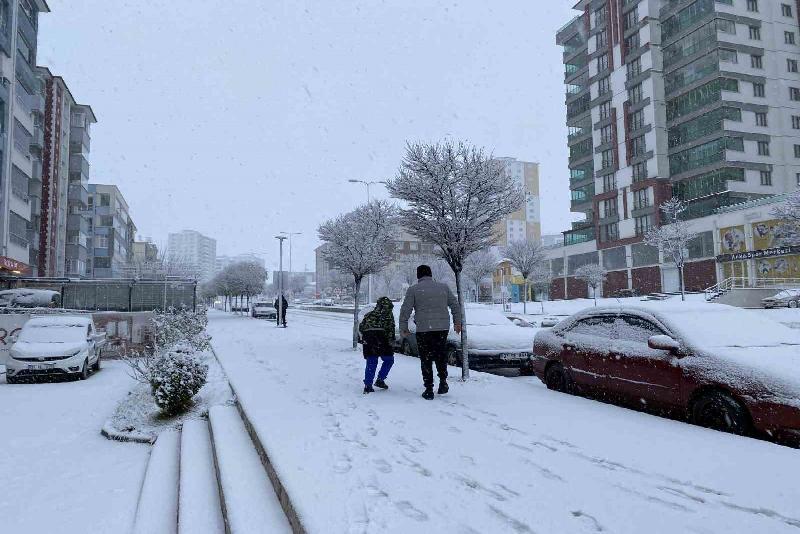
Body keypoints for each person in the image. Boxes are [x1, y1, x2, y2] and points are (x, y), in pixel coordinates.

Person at [399, 265, 462, 400]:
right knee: (440, 355)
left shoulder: (413, 290)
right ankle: (443, 382)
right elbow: (455, 305)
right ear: (431, 274)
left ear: (418, 276)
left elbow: (405, 310)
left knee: (426, 358)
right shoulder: (443, 287)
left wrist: (403, 327)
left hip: (424, 329)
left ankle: (429, 389)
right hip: (442, 328)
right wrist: (457, 322)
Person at [358, 297, 396, 394]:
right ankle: (380, 379)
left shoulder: (369, 315)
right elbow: (391, 330)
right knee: (389, 360)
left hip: (369, 339)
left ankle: (368, 385)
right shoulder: (388, 315)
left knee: (371, 362)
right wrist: (391, 341)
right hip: (383, 340)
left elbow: (361, 328)